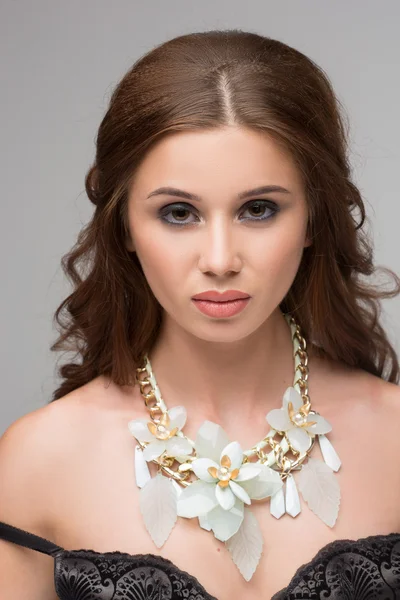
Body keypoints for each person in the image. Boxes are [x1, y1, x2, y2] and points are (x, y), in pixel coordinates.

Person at [0, 28, 399, 600]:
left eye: (258, 209)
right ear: (124, 228)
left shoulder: (395, 438)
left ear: (314, 219)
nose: (219, 260)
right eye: (179, 212)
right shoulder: (36, 462)